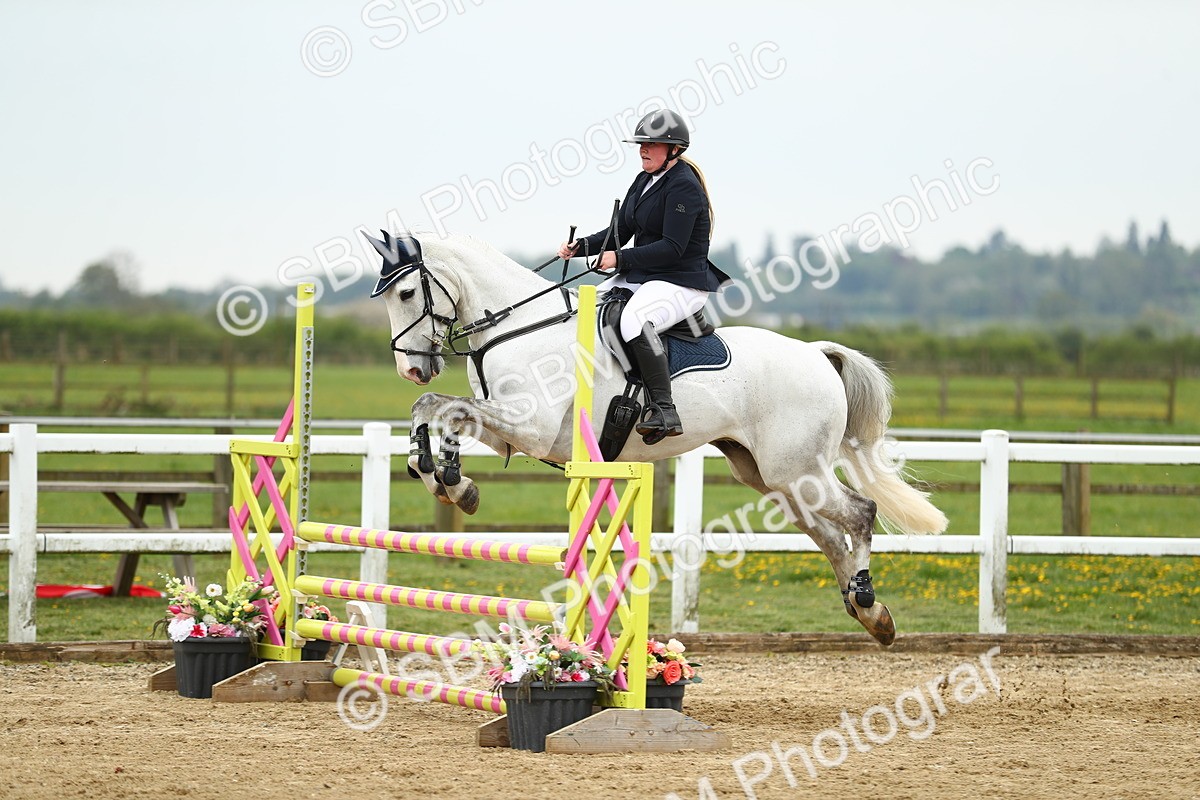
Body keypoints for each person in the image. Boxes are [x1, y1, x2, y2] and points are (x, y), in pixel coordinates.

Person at [558, 109, 728, 443]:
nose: (643, 150)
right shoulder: (643, 180)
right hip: (646, 276)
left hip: (680, 281)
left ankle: (664, 409)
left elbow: (672, 248)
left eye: (652, 144)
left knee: (634, 321)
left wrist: (619, 258)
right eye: (641, 144)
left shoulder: (684, 187)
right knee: (586, 311)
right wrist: (582, 247)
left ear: (674, 149)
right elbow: (621, 230)